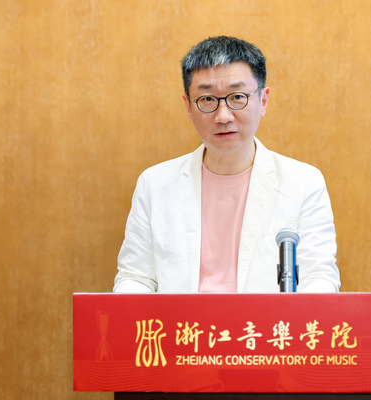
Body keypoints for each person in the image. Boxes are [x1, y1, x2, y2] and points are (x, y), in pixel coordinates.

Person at [113, 36, 340, 293]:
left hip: (264, 321)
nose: (223, 116)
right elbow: (136, 278)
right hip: (181, 320)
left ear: (263, 101)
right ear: (188, 106)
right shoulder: (154, 184)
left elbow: (319, 277)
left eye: (237, 96)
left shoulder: (303, 182)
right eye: (207, 99)